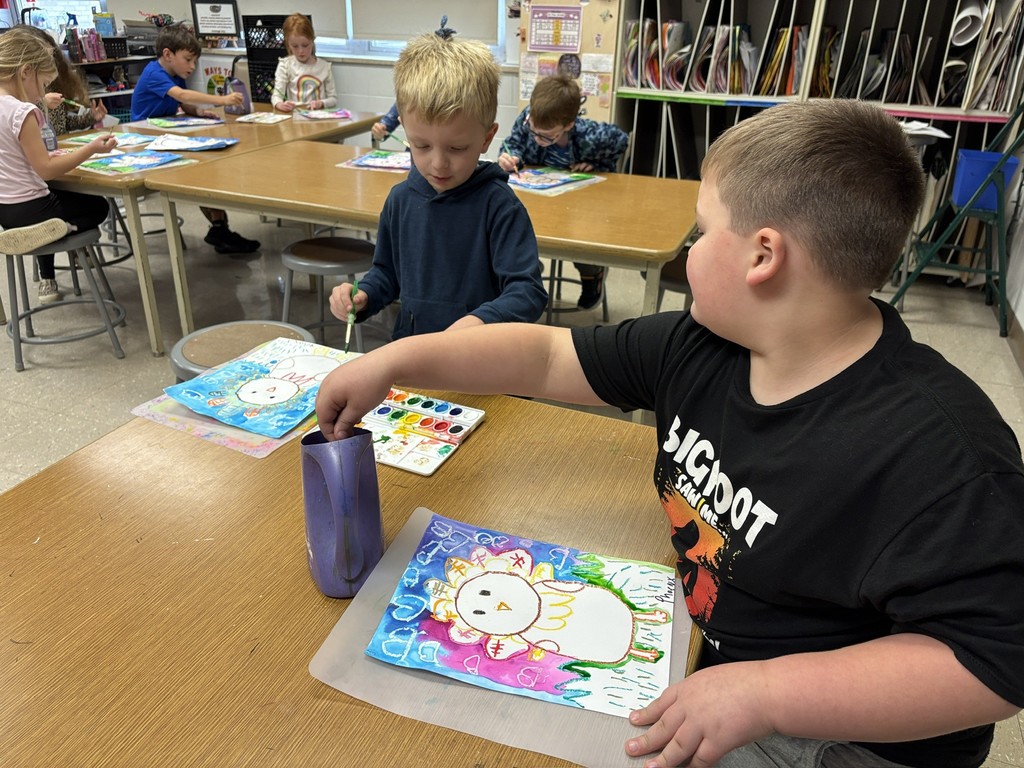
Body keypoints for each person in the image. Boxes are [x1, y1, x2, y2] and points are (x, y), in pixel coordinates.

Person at [317, 99, 1024, 768]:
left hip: (838, 734)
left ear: (762, 256)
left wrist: (765, 694)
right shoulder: (704, 343)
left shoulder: (940, 453)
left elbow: (993, 663)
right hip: (708, 654)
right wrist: (397, 361)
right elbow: (545, 355)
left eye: (701, 230)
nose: (689, 249)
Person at [327, 19, 546, 339]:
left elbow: (527, 291)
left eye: (457, 148)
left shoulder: (500, 207)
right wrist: (364, 295)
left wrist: (481, 320)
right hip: (415, 350)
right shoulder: (400, 201)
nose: (438, 164)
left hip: (480, 355)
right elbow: (387, 273)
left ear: (487, 138)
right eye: (421, 145)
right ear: (405, 129)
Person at [0, 27, 117, 304]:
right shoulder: (23, 111)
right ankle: (63, 227)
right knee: (99, 206)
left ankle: (60, 228)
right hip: (36, 210)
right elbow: (46, 170)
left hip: (6, 213)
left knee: (69, 197)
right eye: (43, 85)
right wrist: (91, 148)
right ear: (26, 72)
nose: (42, 93)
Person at [498, 74, 629, 310]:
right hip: (540, 202)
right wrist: (510, 156)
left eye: (547, 136)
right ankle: (526, 271)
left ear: (569, 125)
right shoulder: (527, 119)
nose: (537, 139)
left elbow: (621, 140)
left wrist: (596, 163)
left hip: (581, 206)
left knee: (583, 239)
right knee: (517, 228)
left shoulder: (590, 136)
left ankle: (591, 273)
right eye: (533, 130)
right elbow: (512, 143)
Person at [130, 25, 260, 255]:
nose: (192, 66)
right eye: (188, 60)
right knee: (200, 172)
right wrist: (222, 100)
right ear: (168, 54)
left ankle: (219, 227)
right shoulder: (154, 73)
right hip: (145, 142)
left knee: (207, 169)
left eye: (194, 61)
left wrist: (198, 112)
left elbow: (182, 103)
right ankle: (219, 228)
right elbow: (180, 95)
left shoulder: (175, 74)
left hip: (166, 136)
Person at [17, 25, 107, 137]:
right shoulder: (21, 98)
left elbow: (64, 123)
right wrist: (42, 104)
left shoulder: (53, 83)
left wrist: (91, 118)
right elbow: (26, 126)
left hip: (61, 143)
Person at [272, 13, 337, 112]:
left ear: (312, 41)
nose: (301, 51)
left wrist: (321, 103)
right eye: (295, 46)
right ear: (288, 45)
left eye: (305, 45)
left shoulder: (324, 67)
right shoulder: (285, 65)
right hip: (296, 115)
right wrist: (279, 104)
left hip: (319, 117)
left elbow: (333, 99)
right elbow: (276, 96)